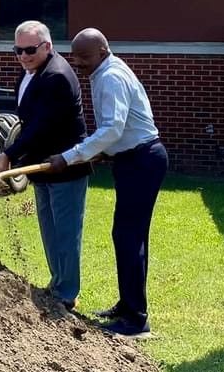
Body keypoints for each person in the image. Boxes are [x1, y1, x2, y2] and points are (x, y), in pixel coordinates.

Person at [49, 28, 166, 338]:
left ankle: (136, 320)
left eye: (84, 57)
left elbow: (113, 129)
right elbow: (116, 131)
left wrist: (70, 156)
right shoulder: (105, 70)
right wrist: (102, 151)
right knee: (130, 237)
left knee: (128, 237)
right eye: (75, 58)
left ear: (102, 51)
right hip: (132, 159)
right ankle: (128, 306)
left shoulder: (111, 76)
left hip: (141, 160)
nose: (78, 64)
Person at [0, 21, 90, 309]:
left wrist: (9, 154)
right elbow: (28, 122)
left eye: (30, 50)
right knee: (49, 230)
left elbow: (41, 127)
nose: (23, 56)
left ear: (47, 47)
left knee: (65, 232)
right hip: (42, 166)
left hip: (65, 166)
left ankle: (67, 292)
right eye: (18, 50)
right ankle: (57, 283)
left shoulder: (57, 76)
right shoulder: (30, 73)